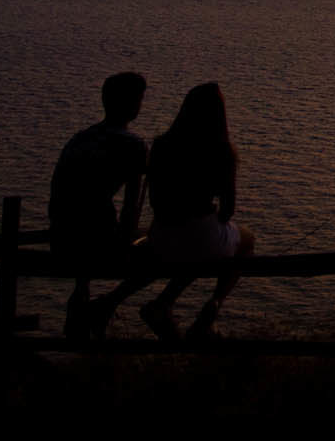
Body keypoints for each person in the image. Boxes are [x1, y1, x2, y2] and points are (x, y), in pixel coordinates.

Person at [139, 81, 258, 341]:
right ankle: (213, 305)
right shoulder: (222, 151)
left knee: (193, 245)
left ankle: (164, 303)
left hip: (162, 235)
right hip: (199, 237)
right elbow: (228, 211)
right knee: (245, 240)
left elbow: (155, 200)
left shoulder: (161, 146)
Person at [49, 70, 153, 339]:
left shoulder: (80, 138)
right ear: (132, 104)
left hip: (62, 240)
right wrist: (127, 240)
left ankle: (81, 293)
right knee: (160, 248)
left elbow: (63, 198)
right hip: (97, 244)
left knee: (89, 213)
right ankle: (109, 303)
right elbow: (133, 207)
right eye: (140, 99)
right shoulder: (133, 145)